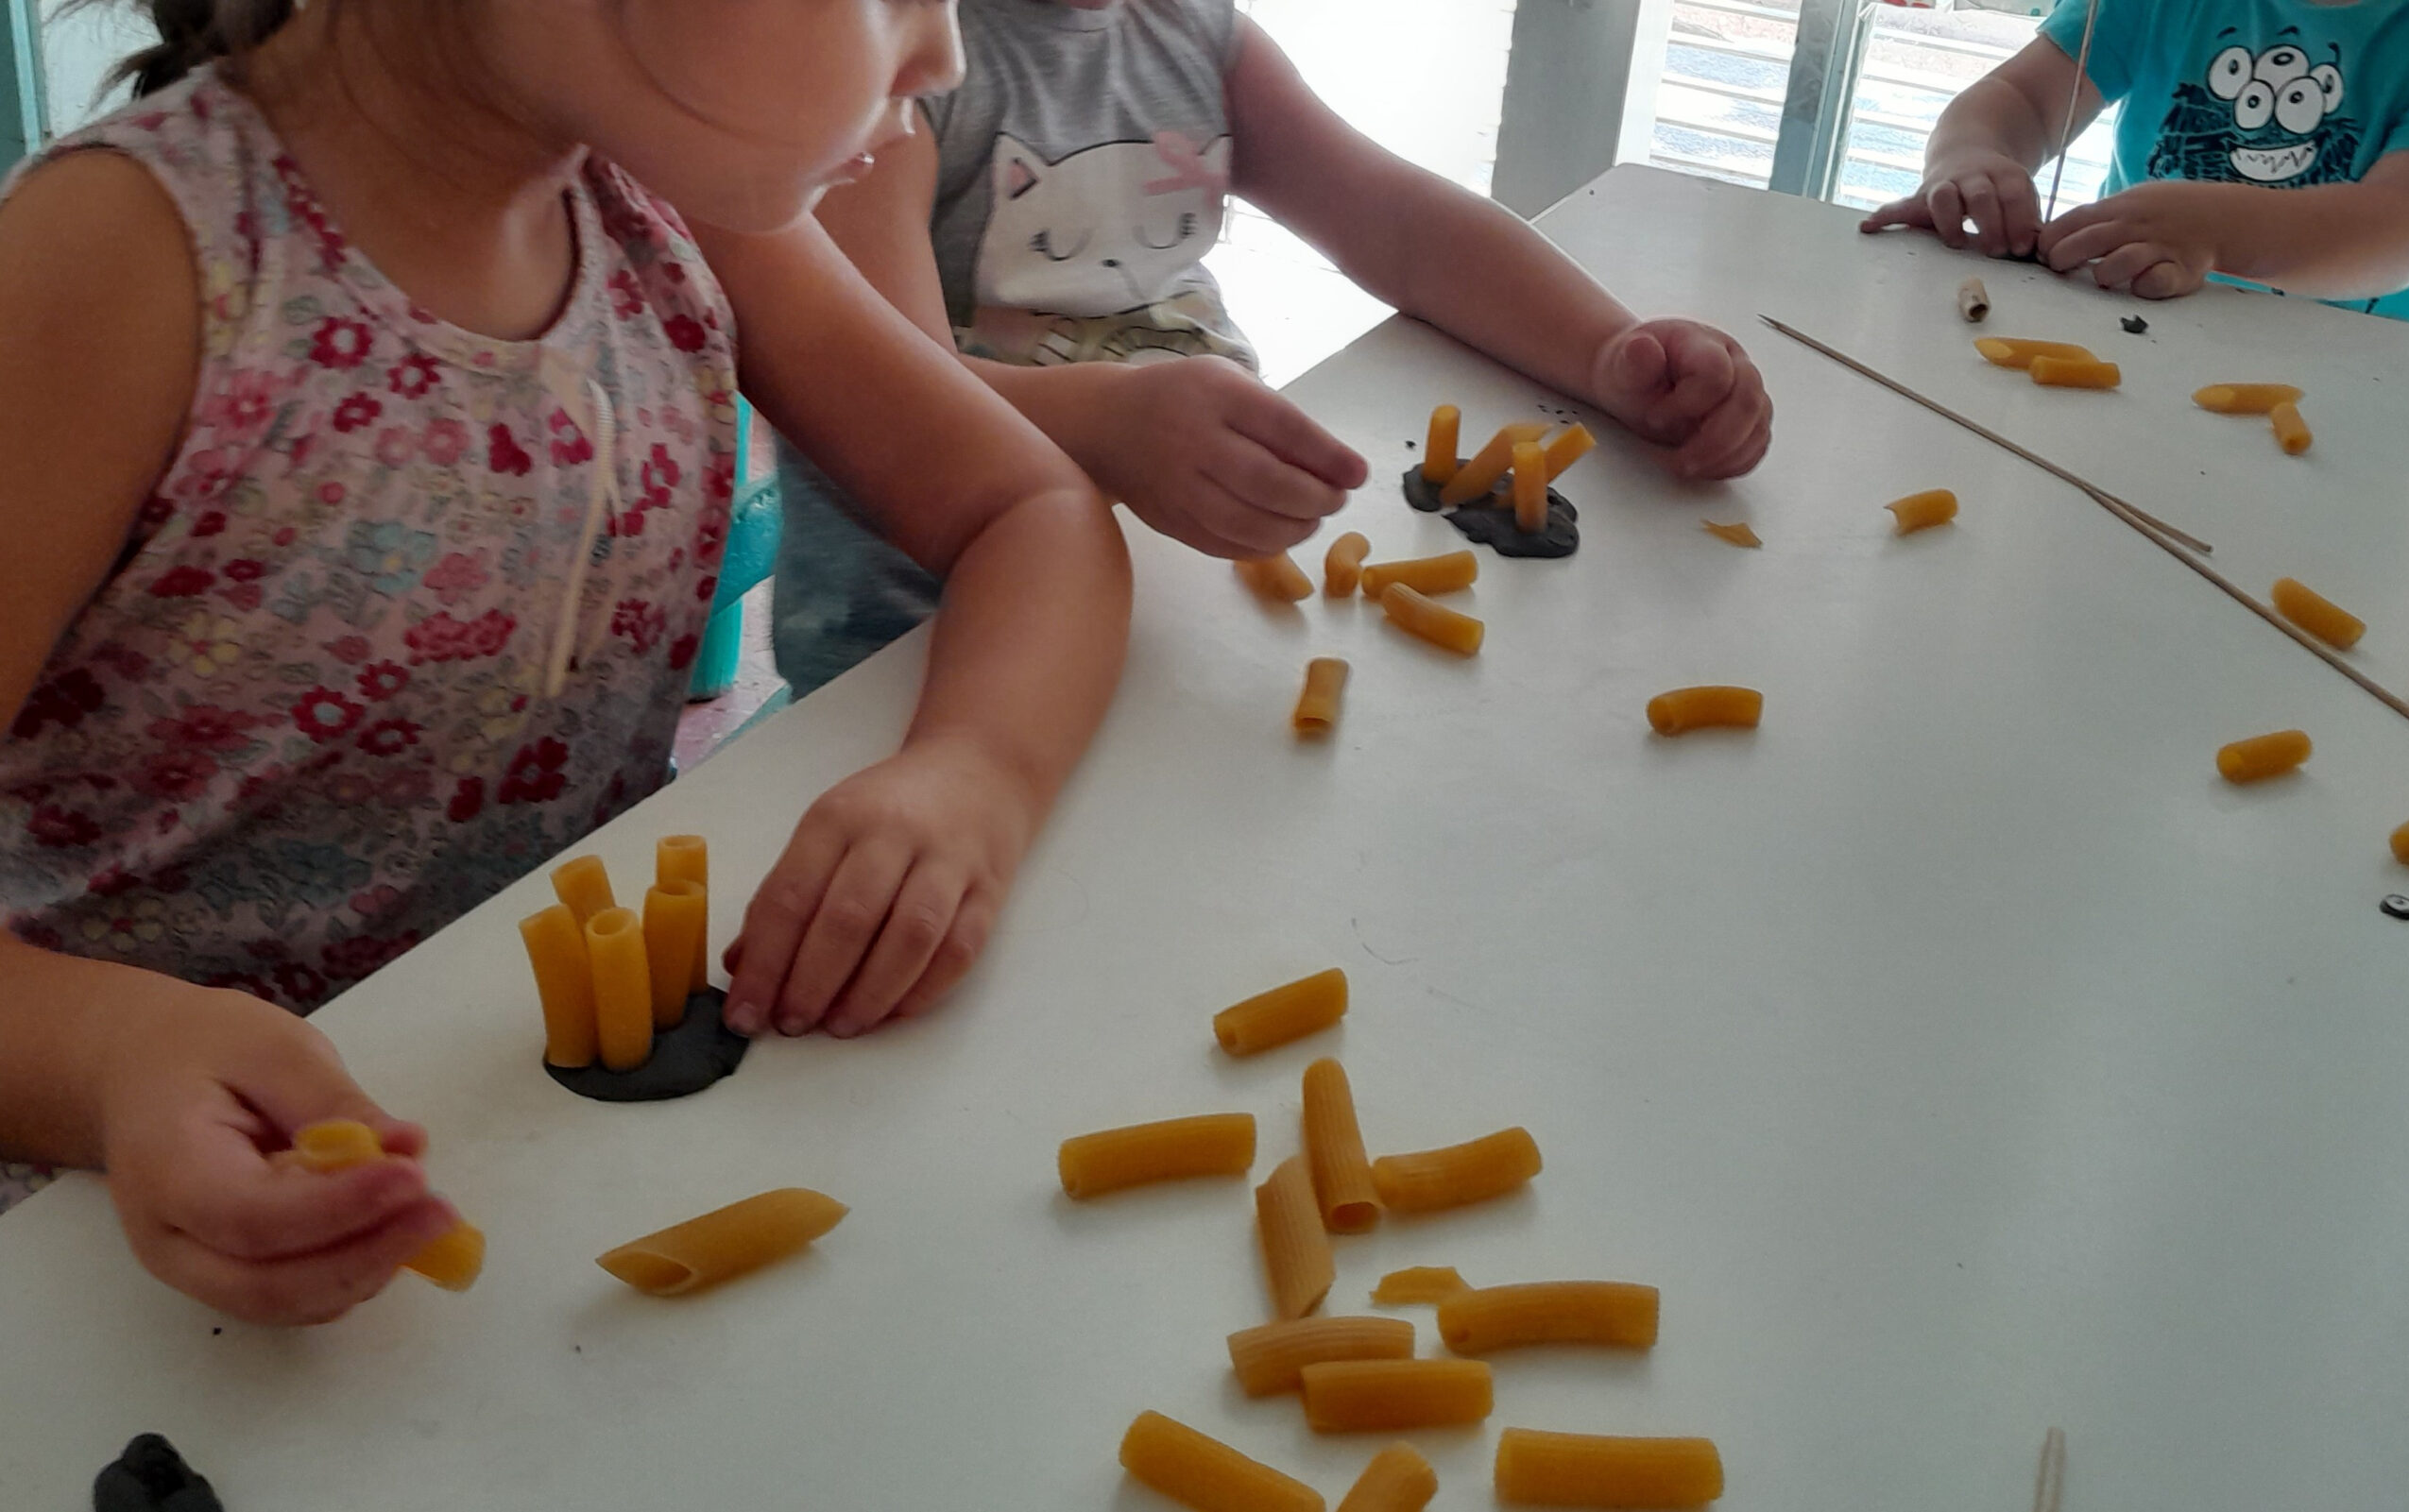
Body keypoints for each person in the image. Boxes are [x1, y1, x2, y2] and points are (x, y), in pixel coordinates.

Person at [0, 0, 1132, 1323]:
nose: (943, 53)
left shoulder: (661, 186)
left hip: (549, 1133)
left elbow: (1031, 511)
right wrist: (108, 1061)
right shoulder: (122, 262)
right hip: (132, 1235)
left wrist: (974, 772)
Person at [767, 0, 1776, 695]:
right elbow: (878, 388)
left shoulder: (1193, 34)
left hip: (1178, 597)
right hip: (926, 637)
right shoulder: (895, 64)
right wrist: (1109, 426)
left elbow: (1401, 226)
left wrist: (1607, 351)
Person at [1860, 0, 2409, 318]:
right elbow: (2024, 98)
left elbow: (2401, 226)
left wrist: (2216, 231)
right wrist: (1971, 155)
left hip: (2352, 379)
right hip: (2135, 326)